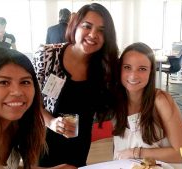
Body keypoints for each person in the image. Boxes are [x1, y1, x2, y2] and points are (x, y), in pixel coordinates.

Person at [32, 3, 119, 167]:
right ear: (75, 25)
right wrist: (51, 122)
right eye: (87, 26)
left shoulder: (105, 66)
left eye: (101, 30)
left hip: (79, 142)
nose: (93, 34)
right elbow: (30, 101)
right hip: (44, 139)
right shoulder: (48, 55)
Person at [112, 42, 182, 163]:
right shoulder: (116, 101)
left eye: (142, 69)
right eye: (127, 67)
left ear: (151, 72)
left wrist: (135, 153)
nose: (133, 76)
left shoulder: (160, 100)